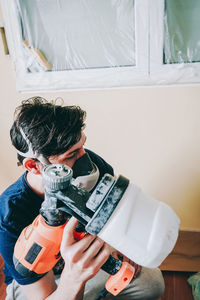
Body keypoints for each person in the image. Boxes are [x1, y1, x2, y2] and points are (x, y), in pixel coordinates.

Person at [0, 97, 165, 300]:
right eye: (70, 155)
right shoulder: (11, 212)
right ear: (34, 166)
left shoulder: (91, 164)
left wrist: (126, 243)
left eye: (82, 146)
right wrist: (74, 279)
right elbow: (43, 295)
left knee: (151, 283)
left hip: (86, 256)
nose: (84, 159)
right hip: (39, 285)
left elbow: (118, 212)